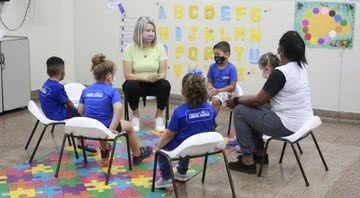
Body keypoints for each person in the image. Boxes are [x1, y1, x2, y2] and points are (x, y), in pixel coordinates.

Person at [225, 31, 314, 174]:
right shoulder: (301, 66)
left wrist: (236, 100)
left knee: (241, 111)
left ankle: (248, 161)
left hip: (288, 126)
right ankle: (260, 155)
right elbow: (261, 102)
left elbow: (258, 100)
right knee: (253, 109)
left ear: (281, 49)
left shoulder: (280, 73)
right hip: (305, 122)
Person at [77, 53, 152, 164]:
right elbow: (118, 110)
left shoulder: (86, 90)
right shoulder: (112, 91)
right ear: (109, 76)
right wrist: (111, 129)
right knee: (129, 127)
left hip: (92, 127)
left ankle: (105, 150)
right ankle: (137, 154)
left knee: (100, 124)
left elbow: (79, 112)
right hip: (106, 127)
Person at [155, 72, 216, 188]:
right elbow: (212, 126)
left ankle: (166, 178)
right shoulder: (210, 109)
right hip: (206, 146)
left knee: (163, 149)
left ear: (184, 92)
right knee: (189, 139)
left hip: (187, 147)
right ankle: (181, 172)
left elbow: (169, 134)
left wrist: (158, 145)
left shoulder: (180, 111)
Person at [122, 16, 170, 132]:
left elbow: (163, 73)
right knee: (129, 85)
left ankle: (159, 117)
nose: (151, 33)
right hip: (137, 83)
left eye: (153, 31)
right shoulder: (130, 49)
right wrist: (145, 78)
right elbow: (127, 75)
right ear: (139, 32)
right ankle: (135, 116)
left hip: (154, 82)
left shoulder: (160, 48)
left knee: (165, 84)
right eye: (148, 30)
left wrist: (157, 77)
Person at [39, 56, 78, 121]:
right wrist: (75, 110)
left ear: (47, 72)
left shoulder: (46, 83)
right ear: (62, 72)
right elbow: (68, 103)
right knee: (81, 111)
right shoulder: (58, 87)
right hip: (57, 115)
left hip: (47, 112)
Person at [207, 41, 238, 115]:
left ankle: (211, 122)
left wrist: (218, 90)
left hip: (226, 93)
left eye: (218, 54)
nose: (216, 56)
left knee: (215, 100)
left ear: (227, 55)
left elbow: (232, 87)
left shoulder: (231, 68)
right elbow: (209, 82)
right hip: (214, 91)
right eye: (214, 54)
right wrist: (211, 89)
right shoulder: (212, 67)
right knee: (198, 99)